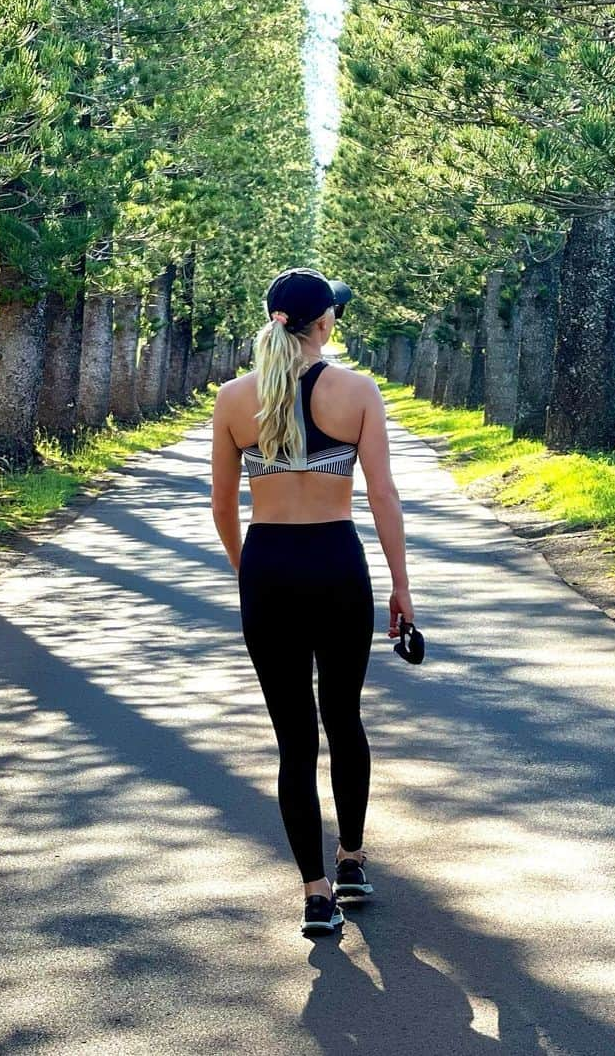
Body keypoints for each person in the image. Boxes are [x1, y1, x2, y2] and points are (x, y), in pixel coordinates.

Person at [210, 267, 415, 938]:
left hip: (270, 567)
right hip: (336, 563)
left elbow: (221, 507)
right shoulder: (357, 392)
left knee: (293, 740)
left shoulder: (234, 399)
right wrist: (401, 586)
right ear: (323, 324)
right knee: (344, 719)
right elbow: (382, 495)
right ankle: (352, 860)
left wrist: (250, 574)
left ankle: (316, 894)